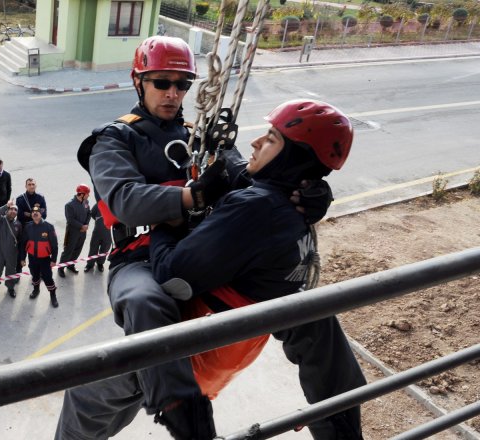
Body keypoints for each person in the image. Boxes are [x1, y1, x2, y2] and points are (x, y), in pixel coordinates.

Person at [57, 36, 335, 440]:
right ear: (139, 83)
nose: (173, 93)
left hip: (202, 253)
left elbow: (253, 176)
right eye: (161, 83)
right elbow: (125, 200)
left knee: (304, 305)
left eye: (182, 84)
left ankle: (336, 413)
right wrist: (194, 194)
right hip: (141, 260)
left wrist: (308, 189)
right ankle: (187, 420)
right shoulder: (115, 139)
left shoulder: (204, 137)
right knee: (143, 301)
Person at [149, 99, 365, 439]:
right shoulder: (294, 203)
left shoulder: (257, 209)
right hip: (237, 346)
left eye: (271, 138)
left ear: (292, 158)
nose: (256, 142)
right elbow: (250, 176)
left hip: (198, 351)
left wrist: (162, 228)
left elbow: (173, 277)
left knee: (89, 395)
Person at [20, 206, 59, 308]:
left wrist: (54, 259)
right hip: (32, 258)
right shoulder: (28, 226)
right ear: (31, 215)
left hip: (45, 259)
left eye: (37, 212)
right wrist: (22, 258)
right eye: (33, 212)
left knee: (48, 278)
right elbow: (23, 243)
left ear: (41, 214)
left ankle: (53, 295)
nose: (35, 213)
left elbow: (54, 245)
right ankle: (36, 290)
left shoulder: (49, 227)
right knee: (35, 275)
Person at [0, 200, 22, 300]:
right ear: (7, 211)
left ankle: (10, 288)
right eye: (11, 209)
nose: (13, 211)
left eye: (15, 210)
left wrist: (19, 255)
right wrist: (6, 205)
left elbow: (20, 240)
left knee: (11, 271)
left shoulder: (18, 224)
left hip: (11, 253)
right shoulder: (0, 220)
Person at [57, 184, 91, 277]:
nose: (89, 196)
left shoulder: (86, 202)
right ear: (81, 194)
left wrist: (86, 224)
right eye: (87, 194)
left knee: (77, 249)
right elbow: (70, 220)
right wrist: (81, 226)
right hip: (72, 232)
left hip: (83, 232)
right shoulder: (69, 205)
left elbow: (89, 213)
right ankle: (61, 268)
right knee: (68, 250)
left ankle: (70, 265)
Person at [83, 202, 112, 273]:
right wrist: (99, 222)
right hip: (97, 232)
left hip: (109, 233)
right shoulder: (99, 204)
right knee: (93, 247)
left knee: (105, 249)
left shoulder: (115, 205)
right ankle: (90, 264)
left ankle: (100, 263)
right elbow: (92, 214)